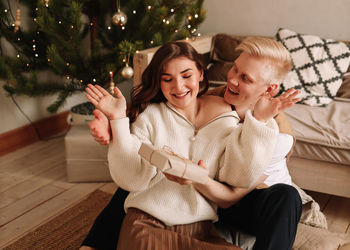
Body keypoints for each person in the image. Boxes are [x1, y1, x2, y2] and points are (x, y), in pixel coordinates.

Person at [81, 38, 301, 250]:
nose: (232, 80)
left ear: (269, 90)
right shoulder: (220, 97)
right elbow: (161, 114)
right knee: (134, 184)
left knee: (289, 197)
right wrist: (113, 124)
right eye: (234, 69)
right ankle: (93, 244)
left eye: (245, 78)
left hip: (241, 197)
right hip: (184, 201)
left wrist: (196, 176)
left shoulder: (275, 133)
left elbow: (230, 195)